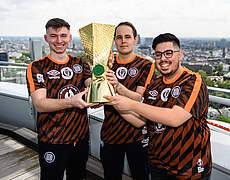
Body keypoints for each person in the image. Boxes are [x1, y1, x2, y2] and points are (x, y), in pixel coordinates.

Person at [105, 33, 212, 180]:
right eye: (158, 54)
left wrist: (130, 104)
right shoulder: (154, 85)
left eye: (168, 53)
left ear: (180, 55)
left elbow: (175, 118)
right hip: (157, 165)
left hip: (189, 168)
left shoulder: (193, 80)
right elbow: (140, 121)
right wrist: (113, 100)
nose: (163, 59)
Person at [26, 18, 95, 180]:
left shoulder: (81, 63)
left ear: (70, 38)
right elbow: (40, 104)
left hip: (80, 139)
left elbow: (92, 88)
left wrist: (97, 93)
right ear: (46, 38)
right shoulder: (37, 66)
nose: (59, 41)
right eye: (53, 36)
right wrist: (71, 101)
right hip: (52, 140)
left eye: (63, 36)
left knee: (77, 177)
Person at [100, 22, 154, 180]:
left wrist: (118, 86)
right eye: (119, 37)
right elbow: (98, 94)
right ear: (114, 41)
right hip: (111, 134)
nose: (123, 41)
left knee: (141, 176)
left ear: (135, 39)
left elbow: (140, 98)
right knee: (111, 176)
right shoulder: (105, 63)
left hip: (137, 135)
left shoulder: (146, 64)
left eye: (128, 37)